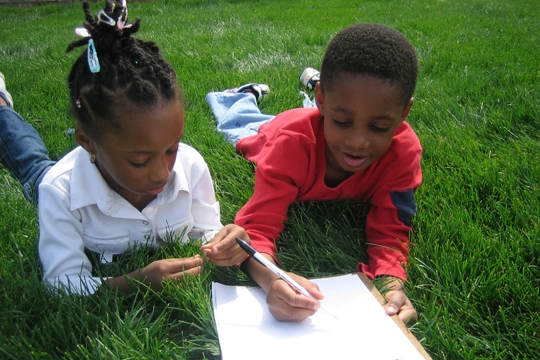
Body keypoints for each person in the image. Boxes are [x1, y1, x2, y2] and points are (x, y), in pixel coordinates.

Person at [0, 0, 249, 296]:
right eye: (140, 161)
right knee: (33, 164)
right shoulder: (60, 191)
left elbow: (206, 230)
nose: (162, 173)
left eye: (171, 149)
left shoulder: (191, 165)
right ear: (87, 141)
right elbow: (61, 281)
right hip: (55, 177)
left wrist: (225, 241)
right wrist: (134, 282)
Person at [205, 23, 422, 325]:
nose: (358, 142)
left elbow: (392, 230)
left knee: (319, 120)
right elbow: (256, 227)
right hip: (275, 132)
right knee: (239, 125)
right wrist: (272, 279)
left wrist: (390, 283)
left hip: (315, 119)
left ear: (404, 113)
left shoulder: (403, 152)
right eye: (343, 121)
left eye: (379, 127)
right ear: (323, 100)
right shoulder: (291, 146)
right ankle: (241, 95)